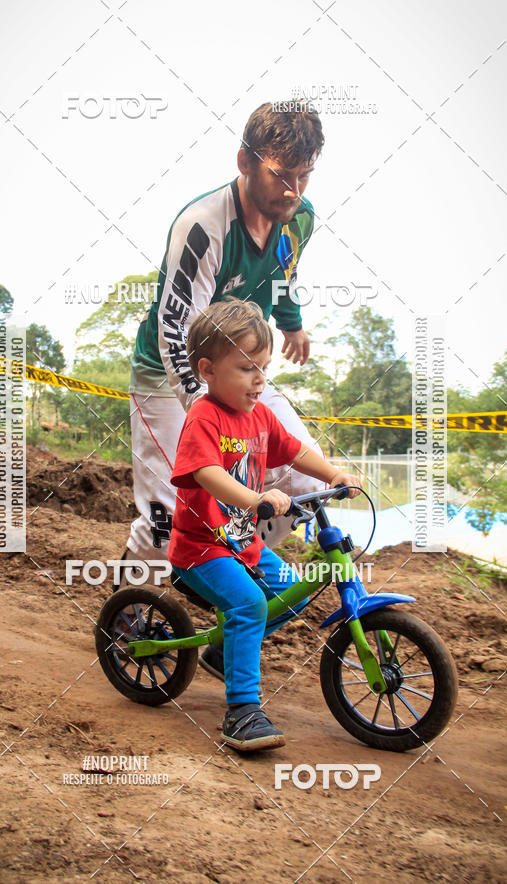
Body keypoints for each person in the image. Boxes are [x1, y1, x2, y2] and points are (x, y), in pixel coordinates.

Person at [123, 101, 330, 582]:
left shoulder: (298, 216)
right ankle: (128, 616)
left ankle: (223, 596)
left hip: (239, 371)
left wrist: (291, 323)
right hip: (169, 377)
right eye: (281, 175)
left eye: (305, 175)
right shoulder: (203, 226)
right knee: (168, 518)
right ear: (245, 162)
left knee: (301, 486)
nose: (293, 191)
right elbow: (176, 334)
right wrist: (213, 419)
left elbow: (285, 269)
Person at [168, 300, 361, 752]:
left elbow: (293, 450)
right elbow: (206, 473)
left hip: (241, 543)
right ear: (207, 369)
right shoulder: (204, 416)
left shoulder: (259, 416)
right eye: (246, 367)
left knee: (292, 595)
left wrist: (331, 473)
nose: (260, 379)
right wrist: (256, 499)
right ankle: (241, 713)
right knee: (251, 604)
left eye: (264, 368)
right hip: (202, 548)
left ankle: (222, 653)